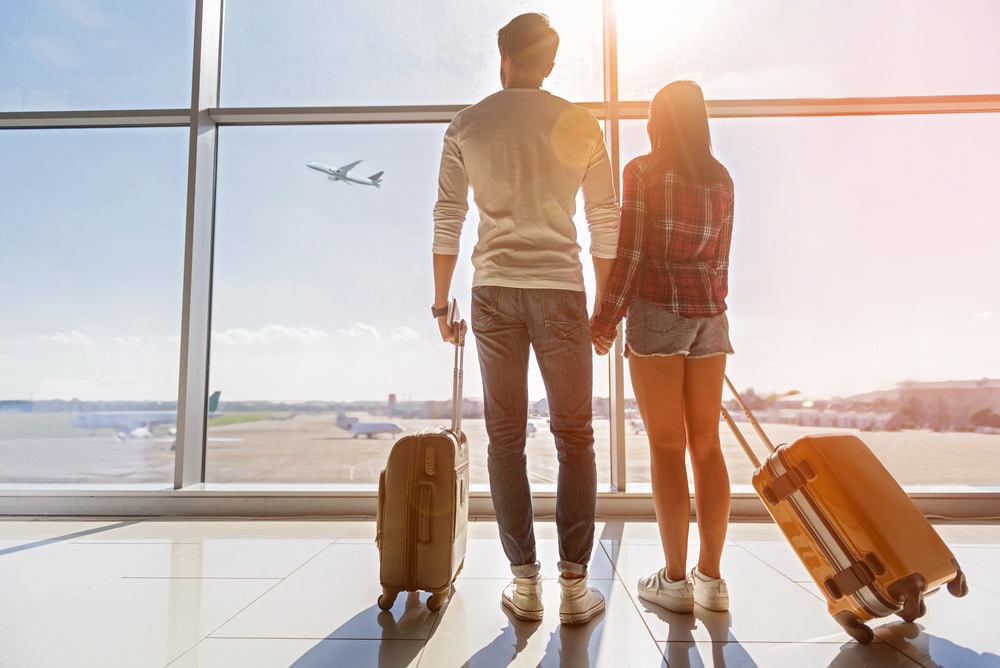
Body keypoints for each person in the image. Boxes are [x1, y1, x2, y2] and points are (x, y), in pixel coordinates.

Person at [431, 12, 619, 625]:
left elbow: (448, 217)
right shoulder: (583, 124)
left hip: (493, 292)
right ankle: (573, 585)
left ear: (503, 57)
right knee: (575, 437)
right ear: (551, 63)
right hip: (561, 289)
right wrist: (604, 307)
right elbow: (605, 220)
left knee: (506, 440)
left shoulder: (467, 125)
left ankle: (525, 584)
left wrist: (441, 302)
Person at [590, 80, 735, 614]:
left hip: (656, 313)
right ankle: (712, 581)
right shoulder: (721, 179)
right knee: (708, 447)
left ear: (657, 120)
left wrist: (605, 321)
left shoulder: (644, 171)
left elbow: (629, 254)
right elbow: (721, 259)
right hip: (711, 318)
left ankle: (674, 582)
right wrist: (711, 314)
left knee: (667, 448)